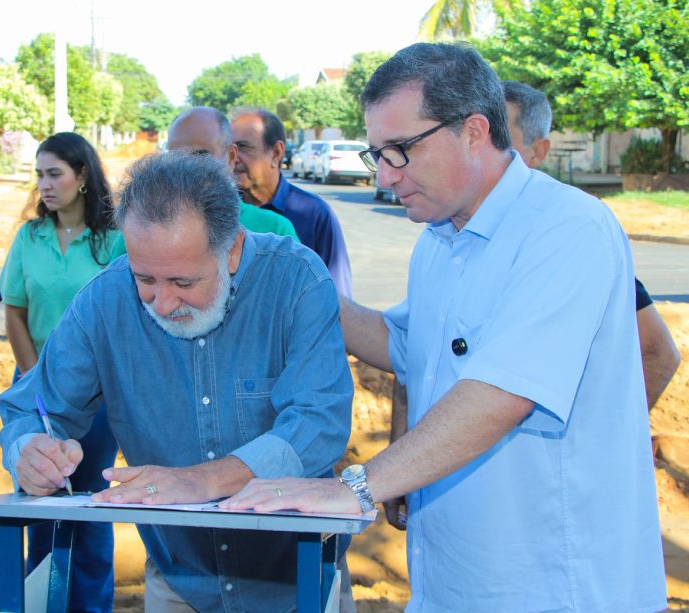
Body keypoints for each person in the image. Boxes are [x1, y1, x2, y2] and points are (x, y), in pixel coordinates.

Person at [225, 43, 667, 611]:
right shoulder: (438, 240)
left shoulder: (565, 228)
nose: (386, 174)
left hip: (554, 584)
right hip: (452, 581)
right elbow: (406, 347)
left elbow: (501, 393)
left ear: (474, 131)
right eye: (377, 154)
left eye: (401, 151)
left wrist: (357, 487)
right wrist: (288, 276)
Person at [0, 152, 355, 612]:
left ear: (232, 250)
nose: (162, 303)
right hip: (179, 582)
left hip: (298, 582)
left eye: (183, 282)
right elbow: (30, 407)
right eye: (144, 278)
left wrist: (202, 481)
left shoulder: (296, 280)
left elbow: (318, 423)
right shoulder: (104, 300)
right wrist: (28, 450)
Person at [0, 131, 123, 612]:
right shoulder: (29, 238)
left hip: (95, 398)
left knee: (88, 506)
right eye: (40, 175)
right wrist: (38, 381)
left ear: (83, 175)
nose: (45, 185)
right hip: (33, 392)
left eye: (55, 174)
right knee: (40, 506)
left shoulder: (114, 239)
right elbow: (14, 312)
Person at [504, 79, 680, 409]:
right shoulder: (447, 234)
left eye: (500, 140)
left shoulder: (572, 231)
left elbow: (658, 353)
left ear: (538, 152)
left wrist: (609, 434)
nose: (480, 150)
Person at [229, 108, 353, 296]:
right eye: (228, 149)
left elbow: (336, 296)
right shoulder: (220, 213)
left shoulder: (313, 214)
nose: (233, 157)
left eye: (243, 147)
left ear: (276, 153)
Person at [167, 106, 299, 239]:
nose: (188, 166)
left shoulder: (274, 229)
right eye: (177, 158)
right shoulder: (158, 226)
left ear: (231, 157)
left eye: (201, 156)